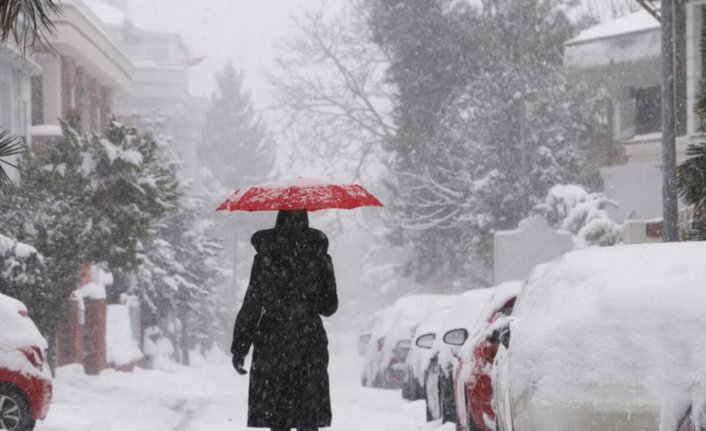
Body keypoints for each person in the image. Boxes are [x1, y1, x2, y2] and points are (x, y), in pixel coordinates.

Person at [231, 210, 338, 431]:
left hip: (272, 341)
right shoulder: (318, 256)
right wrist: (311, 292)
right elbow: (329, 307)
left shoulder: (266, 256)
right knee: (307, 415)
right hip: (308, 341)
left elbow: (252, 304)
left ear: (279, 219)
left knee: (277, 416)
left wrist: (240, 348)